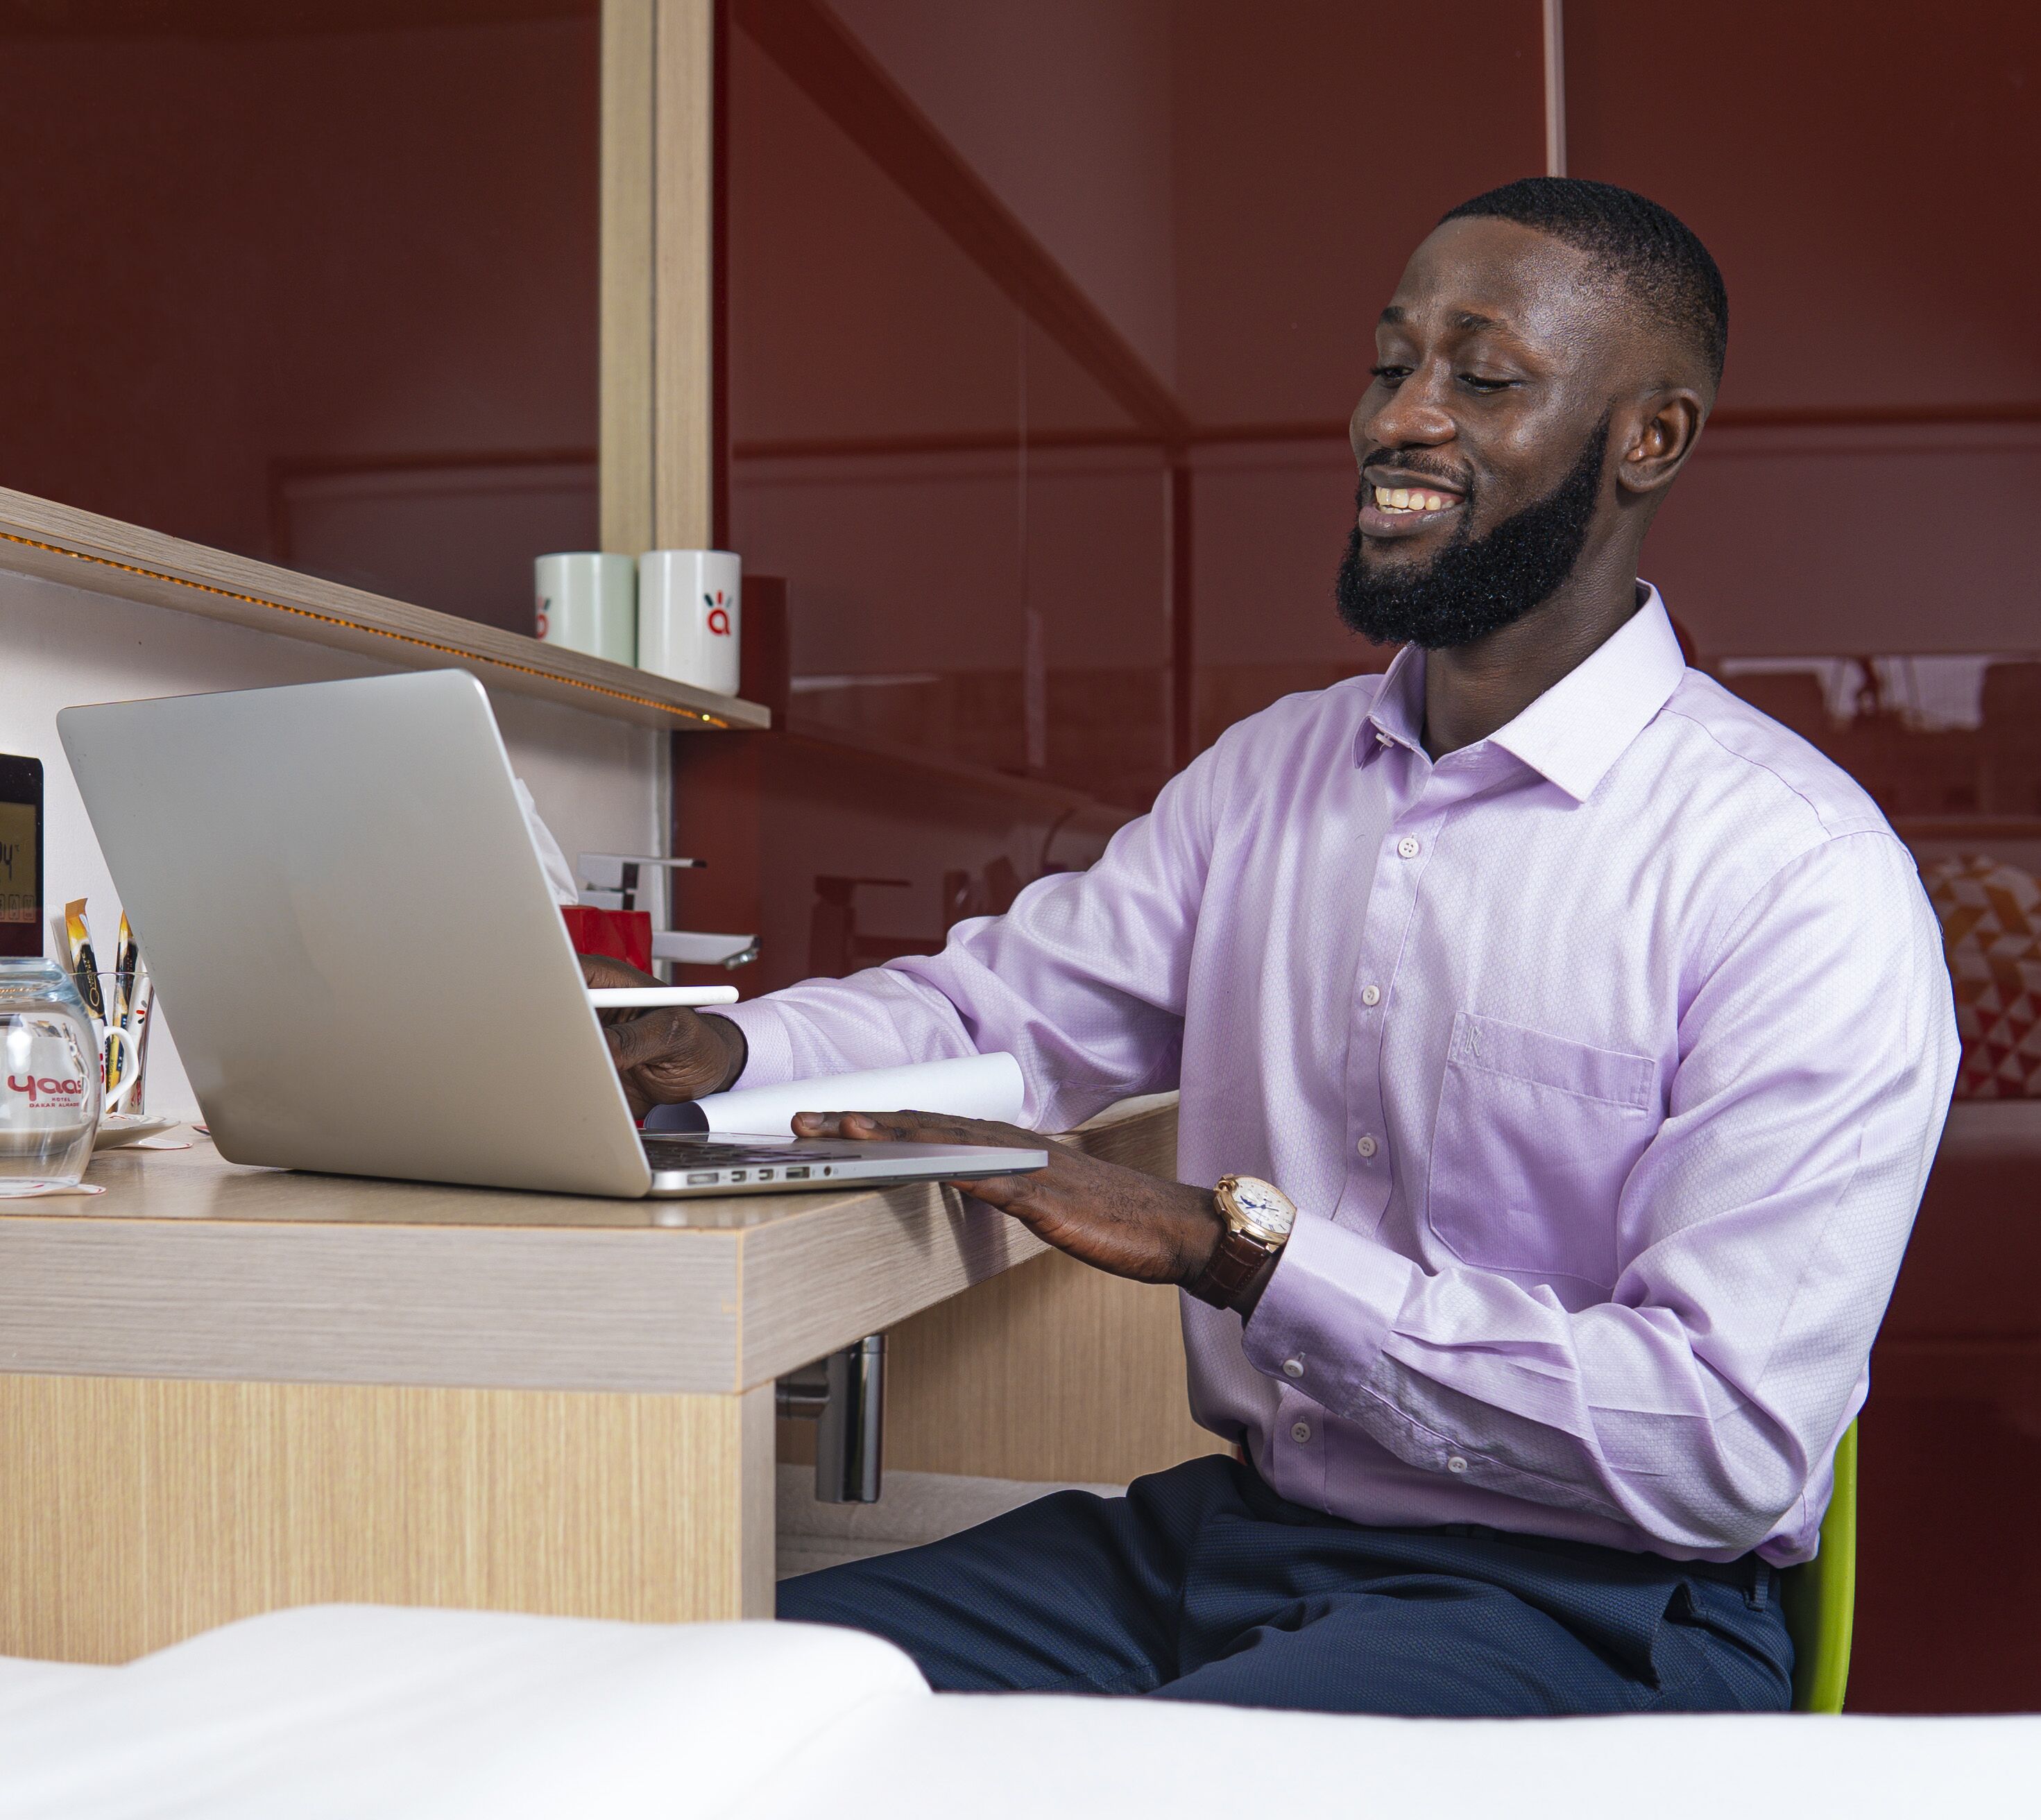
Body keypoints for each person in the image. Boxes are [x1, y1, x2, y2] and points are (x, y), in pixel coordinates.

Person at [586, 178, 1957, 1715]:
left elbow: (1710, 1442)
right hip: (1238, 1540)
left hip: (1599, 1605)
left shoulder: (1796, 874)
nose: (1400, 418)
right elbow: (1008, 1015)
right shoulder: (1270, 775)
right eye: (1391, 363)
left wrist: (1228, 1245)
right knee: (703, 1692)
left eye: (1481, 377)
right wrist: (724, 1047)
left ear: (1650, 439)